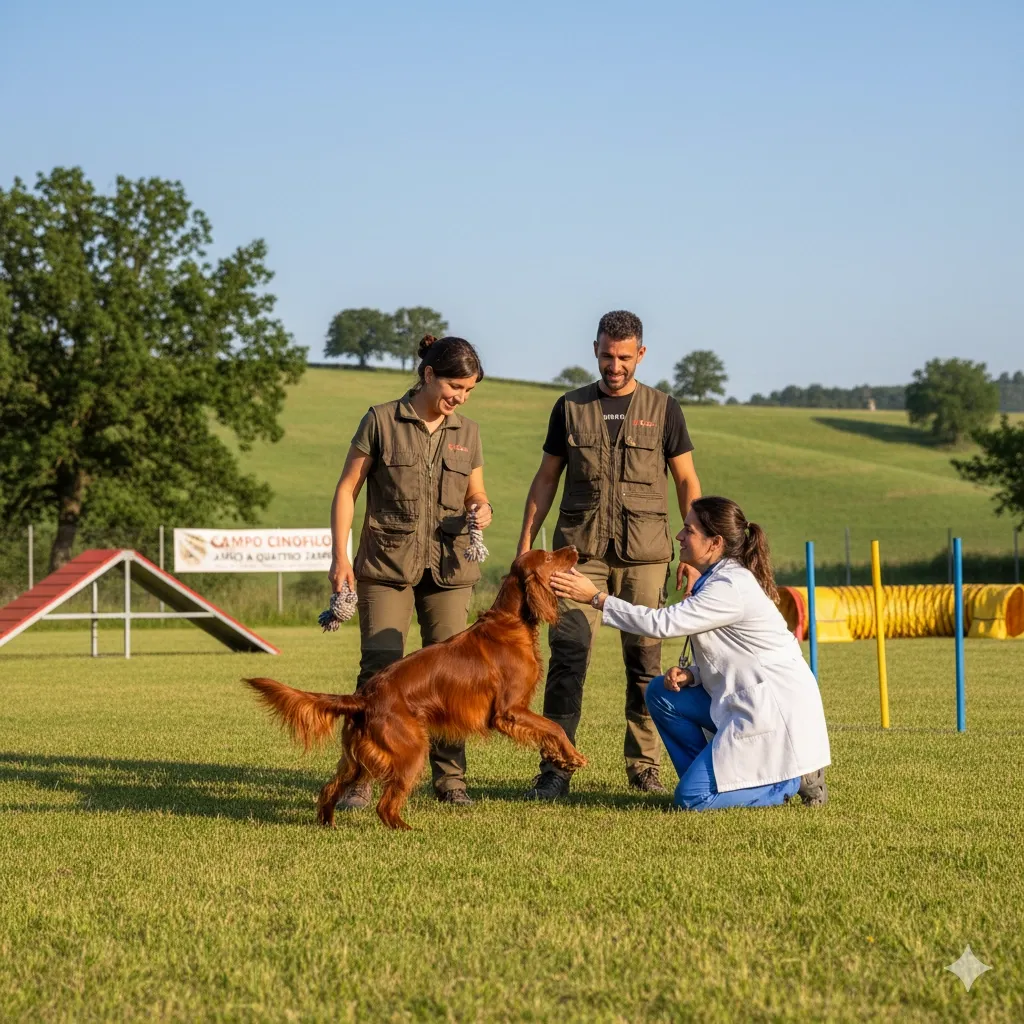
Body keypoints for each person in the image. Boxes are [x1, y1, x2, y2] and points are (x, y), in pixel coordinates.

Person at [517, 310, 701, 800]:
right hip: (579, 556)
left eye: (623, 356)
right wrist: (527, 541)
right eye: (606, 355)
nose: (614, 365)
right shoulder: (569, 407)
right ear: (594, 349)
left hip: (644, 555)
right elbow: (546, 478)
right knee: (567, 660)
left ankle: (643, 765)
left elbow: (686, 480)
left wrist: (695, 548)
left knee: (645, 660)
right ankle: (556, 766)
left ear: (641, 354)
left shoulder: (665, 408)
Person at [549, 496, 831, 811]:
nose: (679, 537)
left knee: (692, 800)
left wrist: (598, 598)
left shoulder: (729, 586)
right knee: (661, 693)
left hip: (774, 709)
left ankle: (790, 781)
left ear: (715, 543)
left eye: (689, 530)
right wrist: (693, 674)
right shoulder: (718, 579)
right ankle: (712, 782)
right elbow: (738, 655)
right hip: (751, 698)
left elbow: (662, 623)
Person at [327, 335, 492, 808]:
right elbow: (347, 490)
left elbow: (476, 495)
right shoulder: (380, 420)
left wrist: (482, 510)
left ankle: (450, 781)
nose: (459, 398)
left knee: (453, 677)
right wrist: (340, 557)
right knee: (379, 671)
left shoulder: (469, 432)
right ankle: (359, 777)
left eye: (468, 391)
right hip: (386, 565)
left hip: (449, 567)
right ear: (427, 374)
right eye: (454, 386)